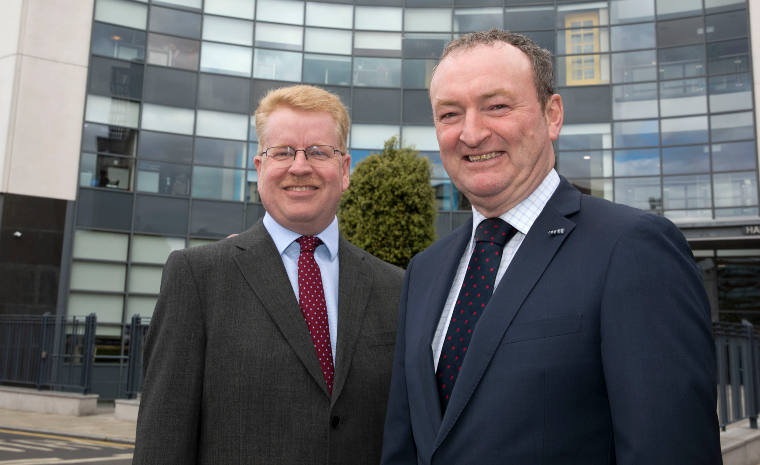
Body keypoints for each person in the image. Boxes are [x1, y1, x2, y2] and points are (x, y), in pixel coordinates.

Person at [380, 29, 722, 465]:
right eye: (449, 114)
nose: (470, 133)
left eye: (496, 106)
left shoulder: (632, 248)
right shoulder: (424, 272)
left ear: (552, 115)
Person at [134, 85, 405, 465]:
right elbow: (163, 440)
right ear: (259, 168)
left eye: (318, 152)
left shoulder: (396, 286)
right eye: (282, 152)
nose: (300, 166)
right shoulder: (197, 278)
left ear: (344, 170)